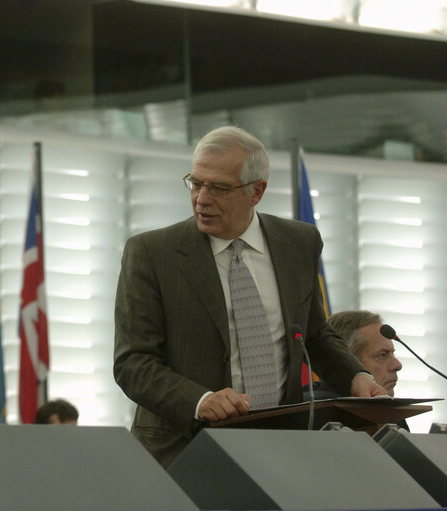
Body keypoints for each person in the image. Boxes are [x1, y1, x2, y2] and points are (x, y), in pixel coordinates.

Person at [113, 125, 387, 468]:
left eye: (219, 188)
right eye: (196, 183)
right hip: (183, 448)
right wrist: (199, 400)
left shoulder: (299, 243)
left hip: (279, 449)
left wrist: (356, 376)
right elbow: (133, 363)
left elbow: (312, 334)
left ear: (256, 192)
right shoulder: (153, 253)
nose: (202, 198)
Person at [306, 310, 403, 398]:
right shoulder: (317, 412)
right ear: (345, 362)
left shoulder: (389, 412)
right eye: (382, 355)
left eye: (392, 354)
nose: (397, 365)